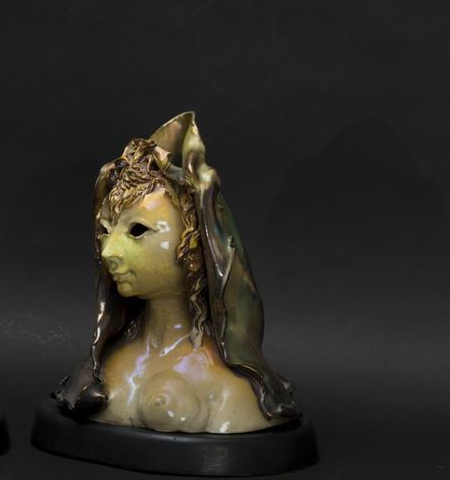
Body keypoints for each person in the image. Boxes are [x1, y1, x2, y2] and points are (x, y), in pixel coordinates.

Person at [54, 112, 301, 433]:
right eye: (105, 230)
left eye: (137, 230)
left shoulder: (227, 387)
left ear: (197, 242)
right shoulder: (104, 366)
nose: (108, 250)